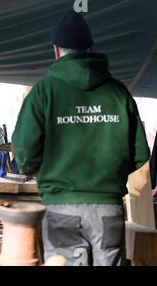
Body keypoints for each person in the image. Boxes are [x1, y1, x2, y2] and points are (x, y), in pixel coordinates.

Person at [12, 10, 150, 266]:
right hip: (108, 209)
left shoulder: (44, 92)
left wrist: (38, 169)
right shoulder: (119, 93)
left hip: (62, 207)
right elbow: (141, 154)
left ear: (56, 51)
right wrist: (108, 177)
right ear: (89, 49)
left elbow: (24, 152)